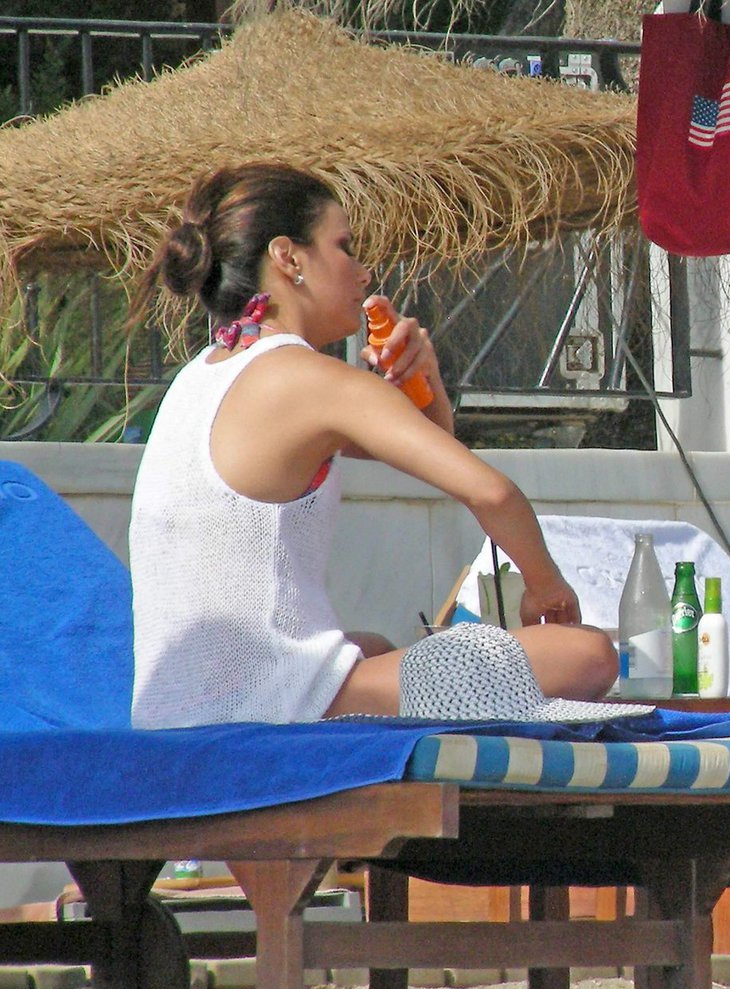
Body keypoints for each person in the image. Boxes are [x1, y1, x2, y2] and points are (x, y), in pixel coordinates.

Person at [127, 162, 617, 728]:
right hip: (265, 708)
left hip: (172, 711)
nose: (363, 273)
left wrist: (423, 378)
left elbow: (430, 447)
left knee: (374, 646)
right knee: (586, 653)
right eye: (345, 247)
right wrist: (545, 588)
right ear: (288, 258)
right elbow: (490, 492)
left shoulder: (200, 377)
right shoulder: (314, 380)